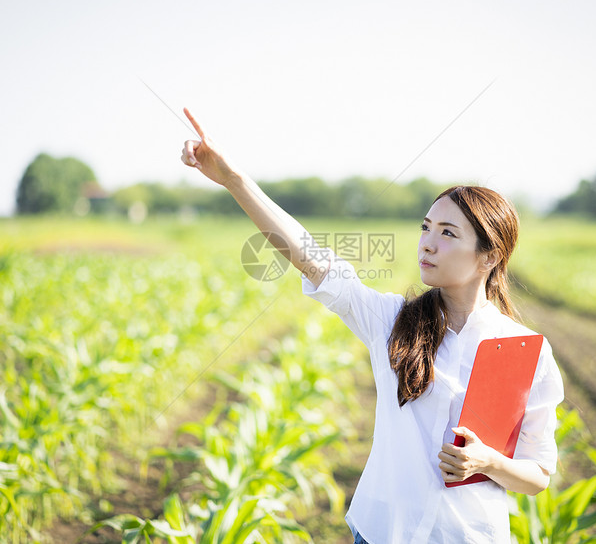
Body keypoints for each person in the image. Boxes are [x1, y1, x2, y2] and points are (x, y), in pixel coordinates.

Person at [180, 108, 564, 544]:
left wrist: (487, 463)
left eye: (448, 234)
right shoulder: (392, 321)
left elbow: (537, 474)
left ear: (490, 257)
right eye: (426, 227)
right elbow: (312, 258)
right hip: (382, 533)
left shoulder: (520, 349)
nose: (428, 243)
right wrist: (234, 180)